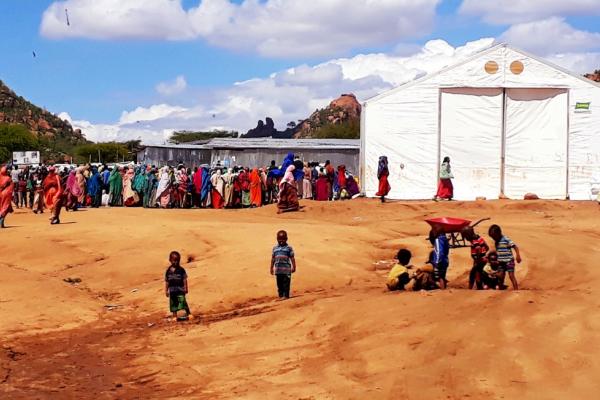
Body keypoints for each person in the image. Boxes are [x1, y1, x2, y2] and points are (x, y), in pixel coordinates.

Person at [488, 224, 522, 290]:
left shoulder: (506, 239)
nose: (493, 238)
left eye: (494, 237)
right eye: (492, 237)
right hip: (501, 262)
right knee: (501, 277)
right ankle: (501, 289)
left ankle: (516, 290)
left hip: (509, 261)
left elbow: (515, 246)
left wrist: (518, 255)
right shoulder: (496, 242)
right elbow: (499, 250)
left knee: (511, 276)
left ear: (499, 233)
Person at [164, 251, 191, 320]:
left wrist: (185, 287)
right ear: (170, 260)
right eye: (174, 260)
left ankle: (188, 313)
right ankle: (174, 316)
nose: (176, 262)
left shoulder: (181, 270)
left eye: (177, 261)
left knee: (183, 301)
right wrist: (166, 290)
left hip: (180, 289)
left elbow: (184, 279)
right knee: (173, 304)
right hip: (172, 290)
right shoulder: (168, 271)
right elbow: (167, 281)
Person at [270, 230, 297, 299]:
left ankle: (286, 296)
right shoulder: (275, 248)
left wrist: (294, 267)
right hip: (278, 270)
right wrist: (271, 268)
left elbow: (292, 258)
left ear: (286, 239)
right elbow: (273, 258)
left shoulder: (289, 248)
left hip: (287, 270)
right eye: (279, 239)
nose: (281, 241)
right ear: (277, 239)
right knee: (279, 284)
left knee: (286, 284)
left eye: (283, 239)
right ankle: (281, 295)